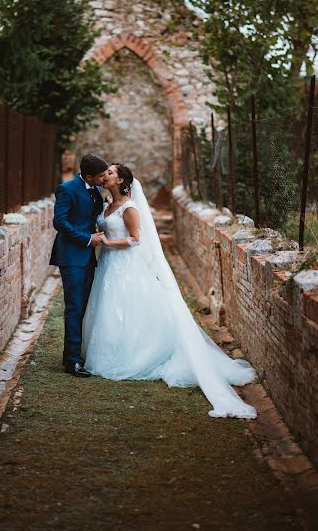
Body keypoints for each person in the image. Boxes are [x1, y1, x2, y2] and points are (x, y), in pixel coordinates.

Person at [82, 163, 257, 419]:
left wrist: (107, 241)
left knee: (128, 308)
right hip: (108, 266)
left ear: (121, 180)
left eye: (110, 173)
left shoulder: (130, 208)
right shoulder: (107, 204)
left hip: (125, 266)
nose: (105, 176)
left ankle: (137, 354)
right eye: (105, 172)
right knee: (110, 310)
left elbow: (135, 239)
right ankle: (111, 349)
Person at [50, 154, 108, 377]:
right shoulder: (67, 189)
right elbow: (60, 221)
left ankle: (72, 354)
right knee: (74, 307)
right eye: (101, 175)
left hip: (88, 257)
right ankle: (73, 361)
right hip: (72, 256)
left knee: (83, 306)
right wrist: (86, 238)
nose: (104, 179)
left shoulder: (95, 190)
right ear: (89, 176)